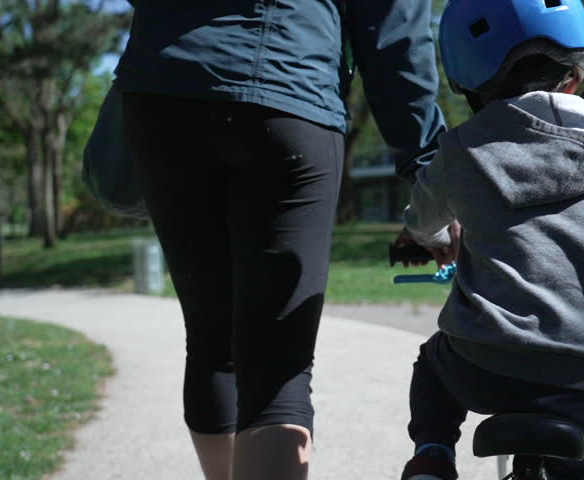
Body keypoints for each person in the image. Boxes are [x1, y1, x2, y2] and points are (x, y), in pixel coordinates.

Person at [114, 1, 445, 479]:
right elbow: (394, 30)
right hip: (287, 81)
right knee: (276, 366)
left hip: (162, 92)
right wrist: (426, 166)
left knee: (211, 340)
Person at [395, 1, 584, 479]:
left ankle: (433, 455)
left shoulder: (459, 154)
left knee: (432, 364)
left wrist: (431, 237)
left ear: (467, 87)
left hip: (482, 366)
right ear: (572, 80)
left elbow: (422, 219)